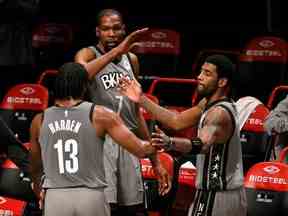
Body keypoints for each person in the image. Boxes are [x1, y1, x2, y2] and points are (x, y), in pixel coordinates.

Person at [119, 54, 247, 216]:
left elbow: (202, 144)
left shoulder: (219, 113)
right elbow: (176, 121)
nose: (199, 77)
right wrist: (140, 98)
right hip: (224, 193)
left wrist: (170, 142)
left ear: (222, 82)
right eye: (201, 72)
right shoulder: (208, 104)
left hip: (218, 194)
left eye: (207, 74)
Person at [29, 62, 160, 216]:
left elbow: (35, 168)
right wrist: (167, 142)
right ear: (85, 86)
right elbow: (141, 150)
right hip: (91, 196)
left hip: (56, 196)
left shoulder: (40, 120)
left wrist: (39, 191)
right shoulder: (100, 115)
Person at [74, 9, 170, 215]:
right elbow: (78, 76)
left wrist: (155, 161)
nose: (112, 33)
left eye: (116, 28)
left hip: (128, 139)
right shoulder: (87, 54)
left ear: (124, 30)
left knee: (132, 208)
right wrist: (116, 52)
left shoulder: (132, 60)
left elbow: (135, 112)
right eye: (106, 29)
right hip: (100, 141)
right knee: (104, 207)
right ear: (97, 31)